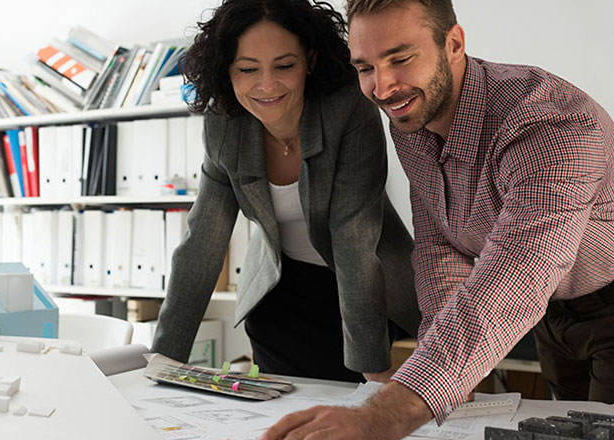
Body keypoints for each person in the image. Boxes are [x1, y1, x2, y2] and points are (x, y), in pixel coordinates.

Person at [262, 0, 614, 438]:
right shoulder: (413, 118)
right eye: (366, 68)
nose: (383, 86)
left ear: (453, 43)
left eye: (400, 58)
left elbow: (517, 276)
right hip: (554, 313)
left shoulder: (549, 122)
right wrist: (455, 381)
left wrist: (386, 413)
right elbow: (440, 245)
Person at [151, 0, 421, 383]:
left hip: (365, 290)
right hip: (279, 293)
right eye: (247, 69)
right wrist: (162, 362)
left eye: (284, 66)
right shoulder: (224, 124)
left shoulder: (348, 107)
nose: (266, 85)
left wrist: (374, 373)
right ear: (227, 69)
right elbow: (202, 244)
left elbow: (353, 238)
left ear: (309, 60)